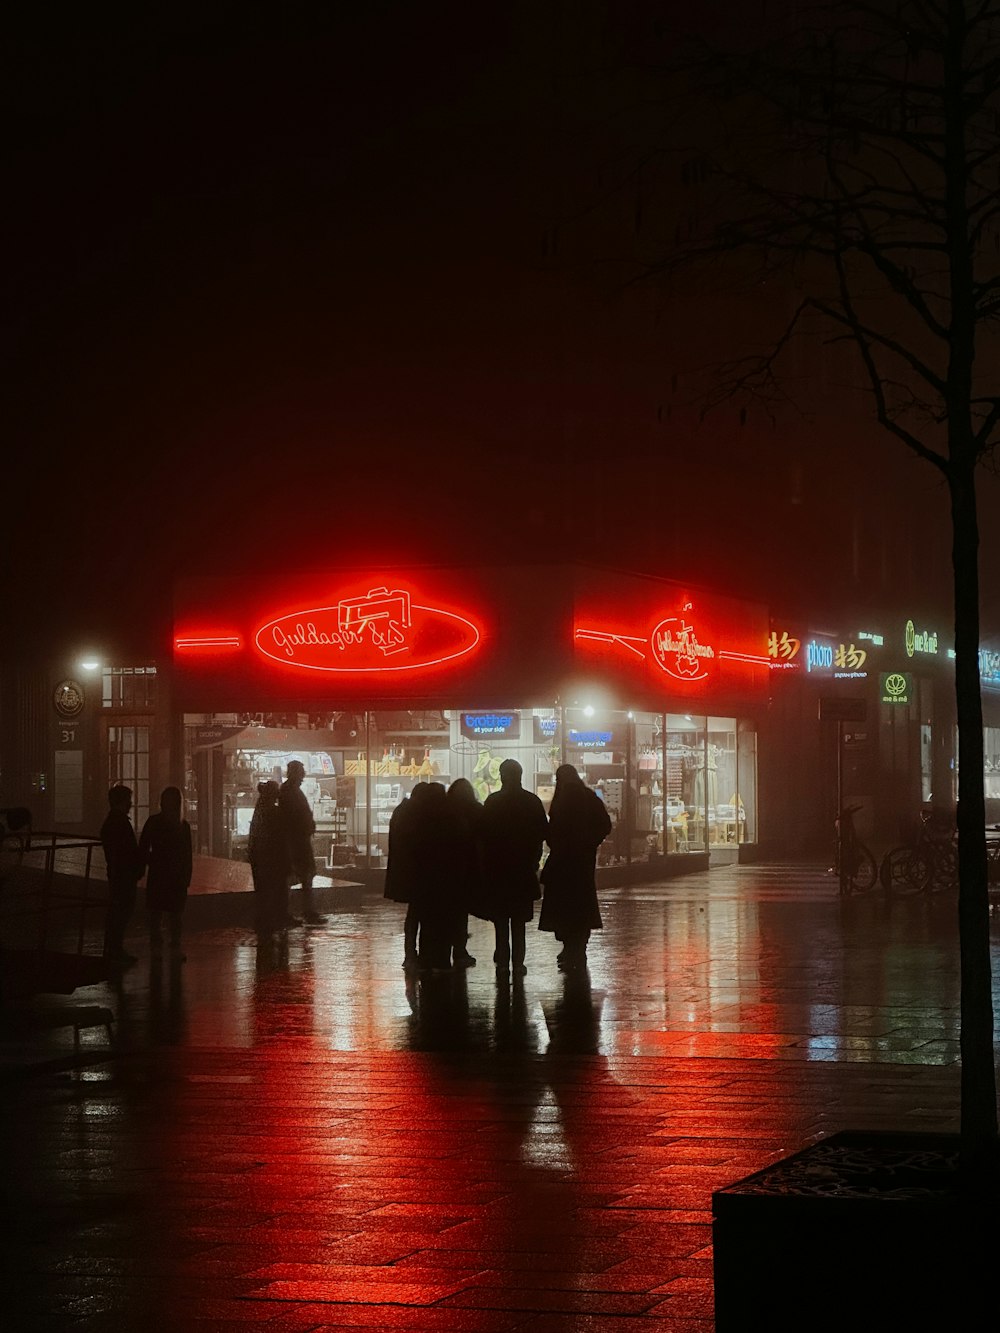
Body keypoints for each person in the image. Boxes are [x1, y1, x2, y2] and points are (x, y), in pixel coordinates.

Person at [538, 764, 612, 971]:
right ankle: (579, 946)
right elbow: (605, 825)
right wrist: (591, 842)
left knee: (563, 906)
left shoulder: (560, 800)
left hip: (562, 861)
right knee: (581, 902)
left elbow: (552, 830)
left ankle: (569, 945)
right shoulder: (588, 797)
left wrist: (556, 843)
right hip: (583, 862)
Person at [480, 758, 547, 977]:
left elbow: (484, 835)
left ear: (502, 776)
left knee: (500, 920)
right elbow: (542, 833)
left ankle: (502, 960)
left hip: (498, 870)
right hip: (523, 870)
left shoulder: (493, 802)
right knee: (519, 922)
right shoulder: (532, 802)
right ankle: (518, 962)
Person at [139, 786, 193, 962]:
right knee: (175, 915)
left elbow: (143, 847)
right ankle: (174, 948)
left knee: (156, 913)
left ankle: (156, 948)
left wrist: (149, 862)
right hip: (176, 875)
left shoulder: (153, 822)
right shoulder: (182, 825)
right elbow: (187, 854)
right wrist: (186, 877)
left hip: (159, 873)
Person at [385, 781, 432, 969]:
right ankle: (415, 953)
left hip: (406, 871)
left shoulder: (402, 811)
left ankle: (411, 953)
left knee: (414, 913)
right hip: (418, 872)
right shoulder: (418, 814)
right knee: (420, 913)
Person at [99, 784, 141, 966]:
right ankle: (115, 948)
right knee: (122, 911)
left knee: (117, 911)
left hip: (119, 873)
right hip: (124, 874)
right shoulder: (121, 823)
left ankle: (113, 948)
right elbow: (127, 851)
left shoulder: (111, 822)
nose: (131, 804)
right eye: (129, 800)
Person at [279, 759, 324, 925]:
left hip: (299, 840)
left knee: (304, 876)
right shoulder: (289, 791)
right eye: (300, 772)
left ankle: (306, 911)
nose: (302, 775)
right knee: (297, 875)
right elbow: (293, 816)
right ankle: (296, 912)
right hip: (296, 841)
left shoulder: (292, 790)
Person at [446, 778, 481, 968]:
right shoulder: (476, 810)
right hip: (470, 867)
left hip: (448, 868)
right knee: (462, 910)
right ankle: (460, 949)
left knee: (451, 909)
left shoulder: (445, 812)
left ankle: (449, 947)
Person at [248, 779, 290, 938]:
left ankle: (263, 922)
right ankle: (274, 921)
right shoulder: (274, 812)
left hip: (260, 858)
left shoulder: (260, 810)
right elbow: (281, 837)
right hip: (273, 859)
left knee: (263, 891)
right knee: (276, 890)